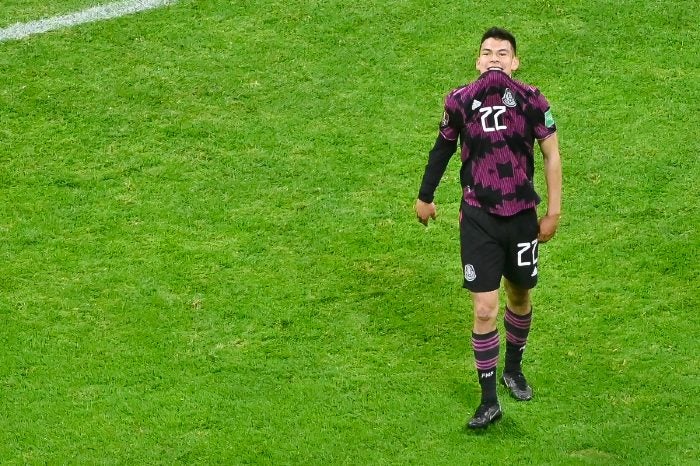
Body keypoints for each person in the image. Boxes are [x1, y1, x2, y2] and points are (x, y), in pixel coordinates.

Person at [415, 27, 562, 429]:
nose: (494, 57)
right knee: (484, 309)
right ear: (477, 61)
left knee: (519, 294)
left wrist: (553, 212)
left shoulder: (533, 101)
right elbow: (443, 147)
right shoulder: (459, 101)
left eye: (502, 52)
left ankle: (513, 369)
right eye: (486, 52)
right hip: (478, 217)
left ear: (515, 62)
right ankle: (488, 400)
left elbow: (551, 154)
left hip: (521, 219)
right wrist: (425, 196)